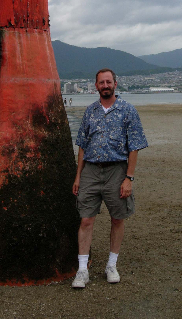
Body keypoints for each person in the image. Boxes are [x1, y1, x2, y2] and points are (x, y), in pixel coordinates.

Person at [71, 68, 148, 288]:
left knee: (117, 218)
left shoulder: (128, 111)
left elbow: (134, 147)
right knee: (86, 219)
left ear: (115, 83)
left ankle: (111, 265)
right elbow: (82, 147)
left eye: (108, 82)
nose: (105, 85)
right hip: (91, 171)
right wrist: (78, 176)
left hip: (117, 170)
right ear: (95, 86)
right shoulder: (90, 112)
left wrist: (128, 178)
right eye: (101, 82)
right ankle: (82, 270)